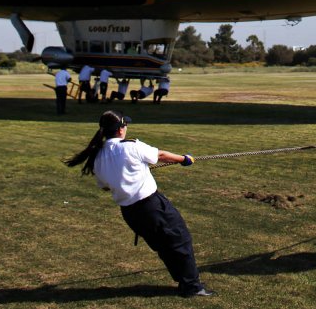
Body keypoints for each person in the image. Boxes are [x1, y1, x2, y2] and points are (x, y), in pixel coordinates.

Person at [65, 111, 214, 298]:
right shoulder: (131, 146)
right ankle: (192, 287)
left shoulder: (98, 156)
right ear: (120, 129)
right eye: (125, 125)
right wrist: (184, 159)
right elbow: (160, 155)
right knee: (180, 240)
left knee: (164, 245)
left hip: (130, 213)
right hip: (152, 206)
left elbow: (105, 187)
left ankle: (186, 282)